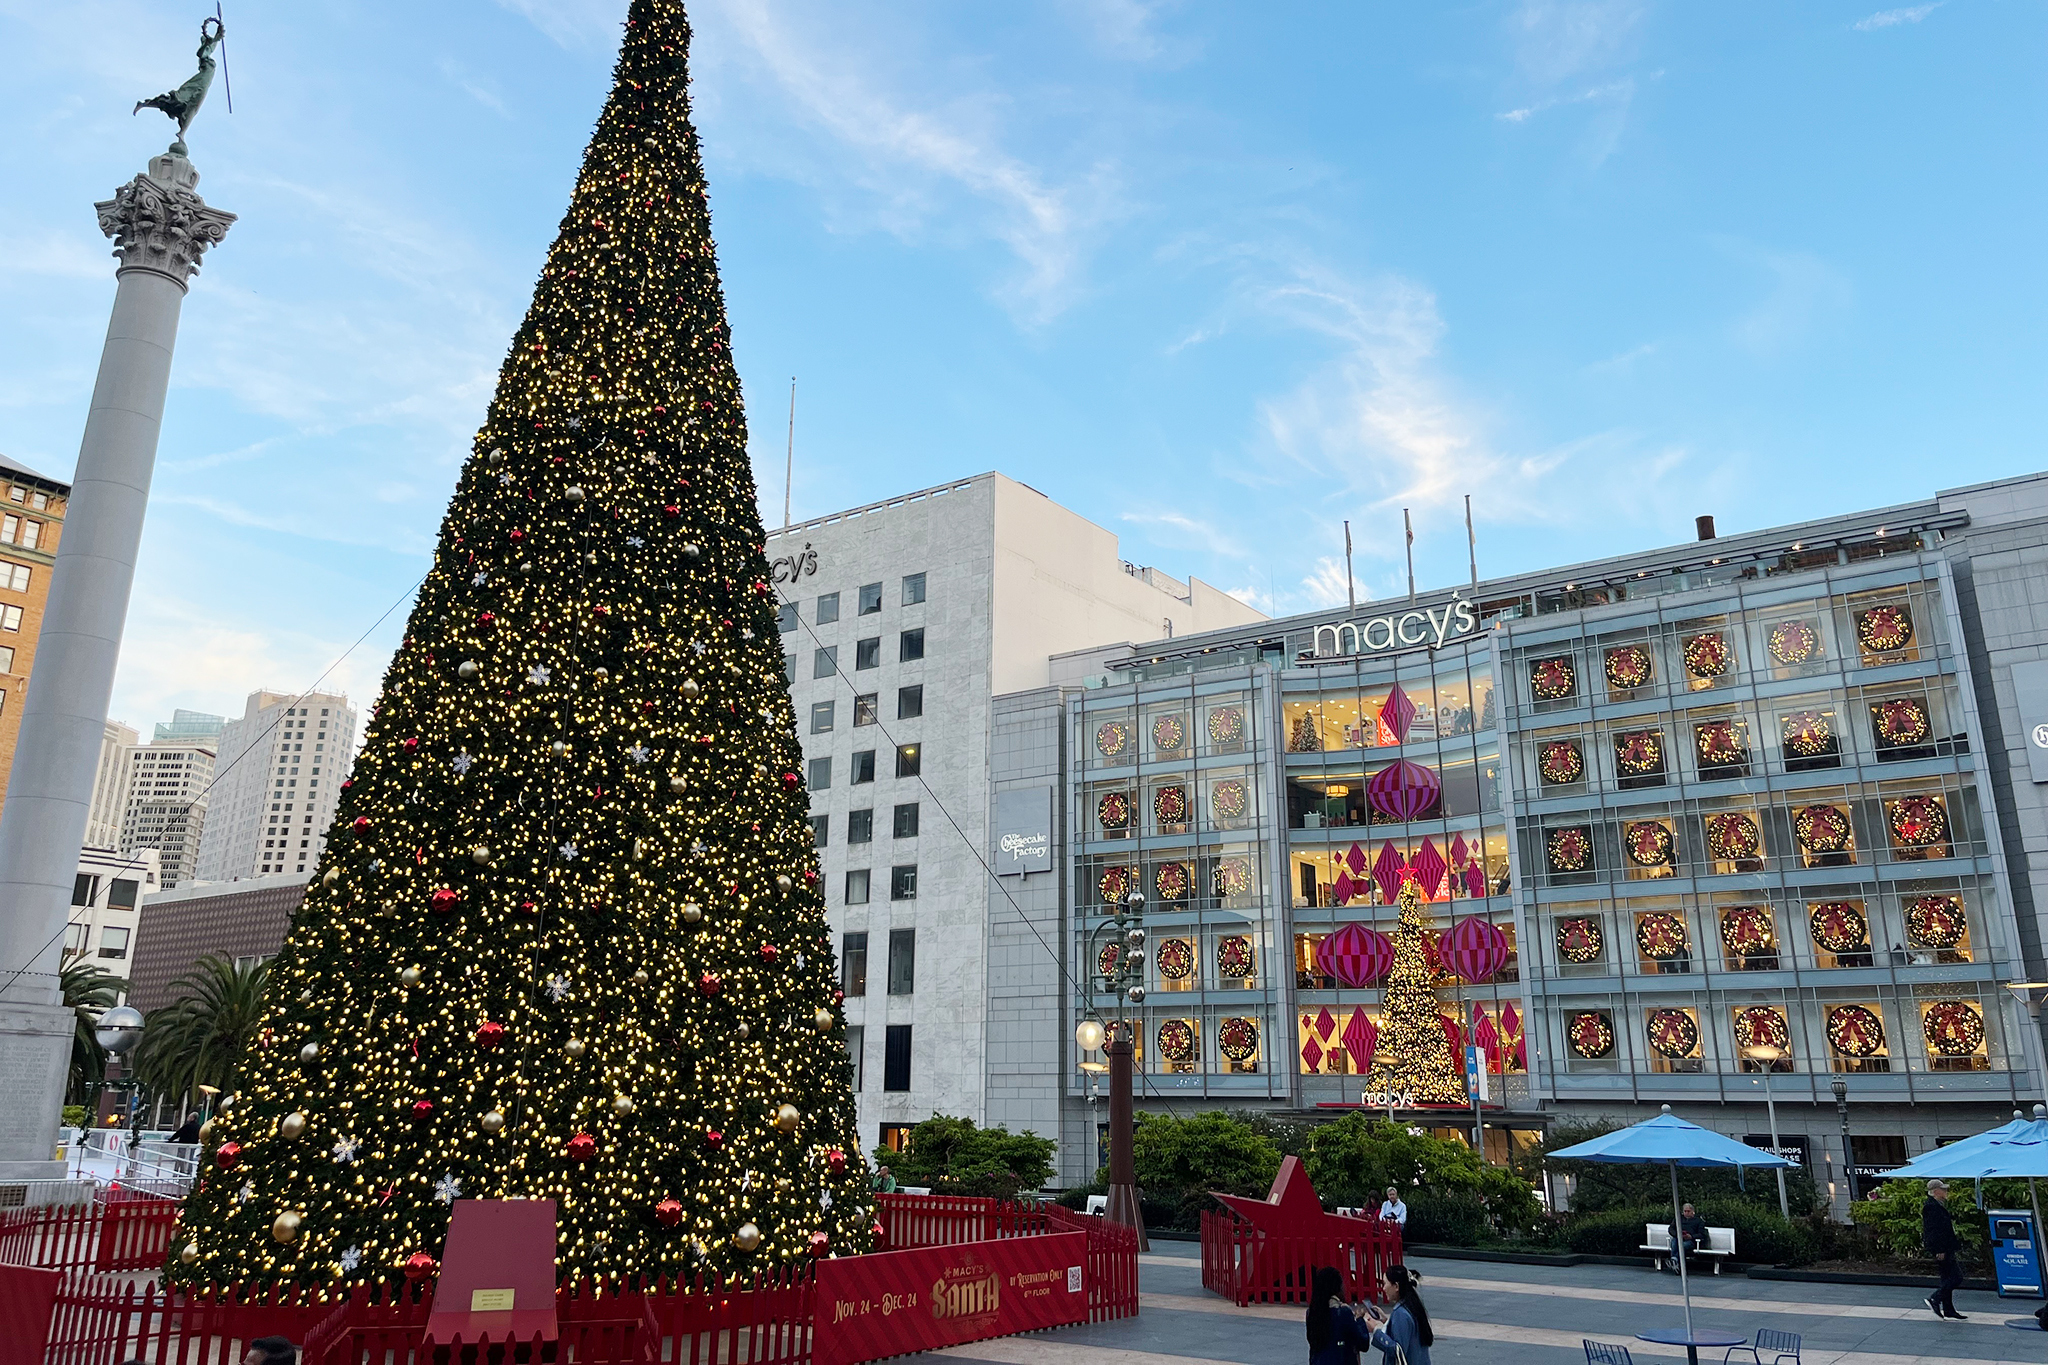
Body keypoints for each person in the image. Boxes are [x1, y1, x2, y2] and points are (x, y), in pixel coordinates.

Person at [1358, 1264, 1433, 1365]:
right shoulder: (1413, 1306)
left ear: (1396, 1286)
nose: (1383, 1288)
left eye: (1385, 1284)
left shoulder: (1401, 1312)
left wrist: (1376, 1330)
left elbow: (1398, 1351)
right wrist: (1386, 1322)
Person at [1304, 1265, 1373, 1365]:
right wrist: (1359, 1320)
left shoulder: (1312, 1313)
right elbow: (1363, 1343)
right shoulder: (1343, 1312)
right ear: (1336, 1288)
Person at [1922, 1179, 1966, 1320]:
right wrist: (1939, 1249)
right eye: (1943, 1189)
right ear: (1936, 1191)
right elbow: (1934, 1230)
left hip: (1945, 1246)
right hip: (1942, 1248)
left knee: (1947, 1277)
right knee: (1956, 1277)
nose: (1946, 1192)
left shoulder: (1936, 1205)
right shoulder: (1931, 1207)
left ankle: (1948, 1309)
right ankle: (1936, 1298)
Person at [1667, 1202, 1707, 1272]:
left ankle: (1674, 1259)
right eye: (1685, 1211)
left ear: (1692, 1212)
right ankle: (1675, 1262)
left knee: (1683, 1245)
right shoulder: (1678, 1219)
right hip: (1678, 1237)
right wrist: (1678, 1234)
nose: (1686, 1213)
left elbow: (1701, 1234)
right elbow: (1671, 1229)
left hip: (1691, 1241)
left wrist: (1691, 1236)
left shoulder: (1698, 1221)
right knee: (1674, 1241)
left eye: (1688, 1211)